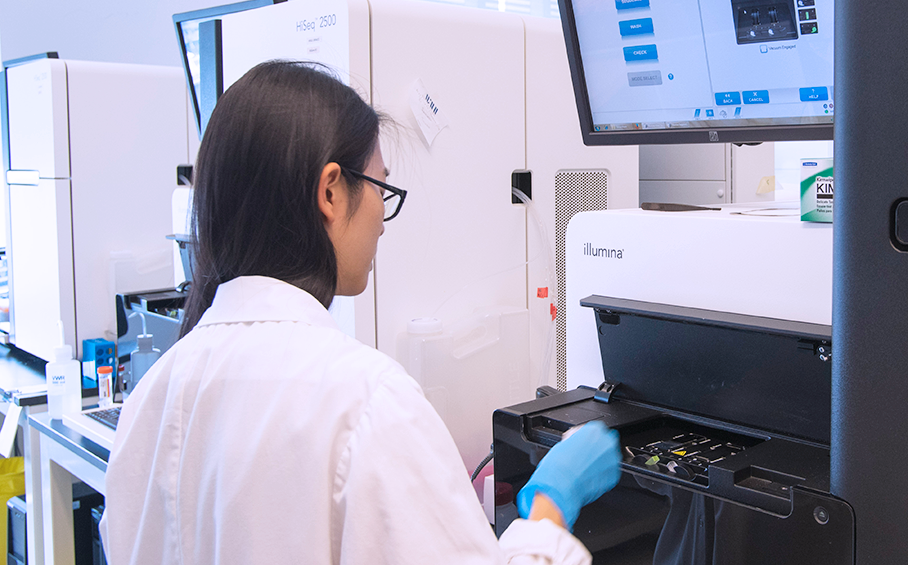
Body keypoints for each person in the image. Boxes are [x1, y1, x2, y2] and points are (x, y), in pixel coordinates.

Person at [101, 60, 621, 564]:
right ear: (330, 191)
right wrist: (552, 505)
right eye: (381, 189)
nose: (383, 222)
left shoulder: (153, 397)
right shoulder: (364, 399)